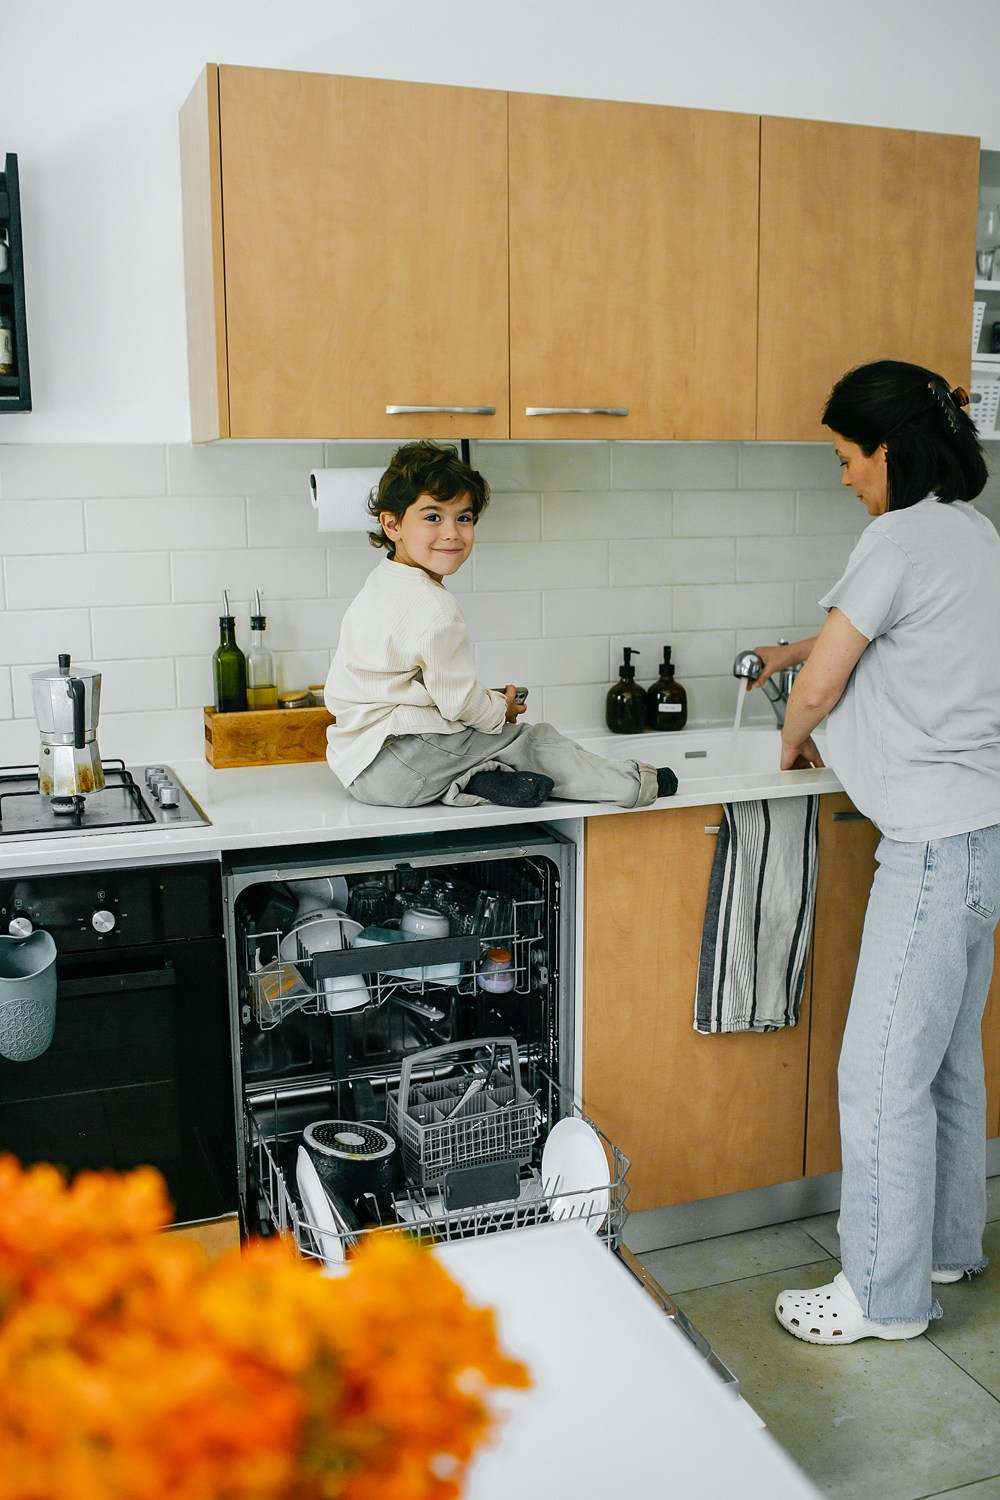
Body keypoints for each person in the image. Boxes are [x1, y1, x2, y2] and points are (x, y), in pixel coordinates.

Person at [749, 360, 1000, 1346]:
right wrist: (793, 653)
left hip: (933, 847)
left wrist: (790, 734)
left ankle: (880, 1297)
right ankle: (945, 1248)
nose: (845, 476)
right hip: (983, 833)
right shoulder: (971, 531)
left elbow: (822, 685)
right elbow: (901, 650)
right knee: (946, 1063)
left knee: (881, 1076)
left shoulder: (893, 538)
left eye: (848, 458)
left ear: (889, 453)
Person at [323, 441, 678, 811]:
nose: (452, 532)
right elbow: (458, 701)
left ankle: (480, 780)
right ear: (392, 524)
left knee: (475, 744)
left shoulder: (380, 583)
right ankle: (634, 783)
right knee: (526, 741)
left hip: (360, 770)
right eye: (433, 517)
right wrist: (499, 710)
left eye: (463, 518)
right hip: (406, 761)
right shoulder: (433, 606)